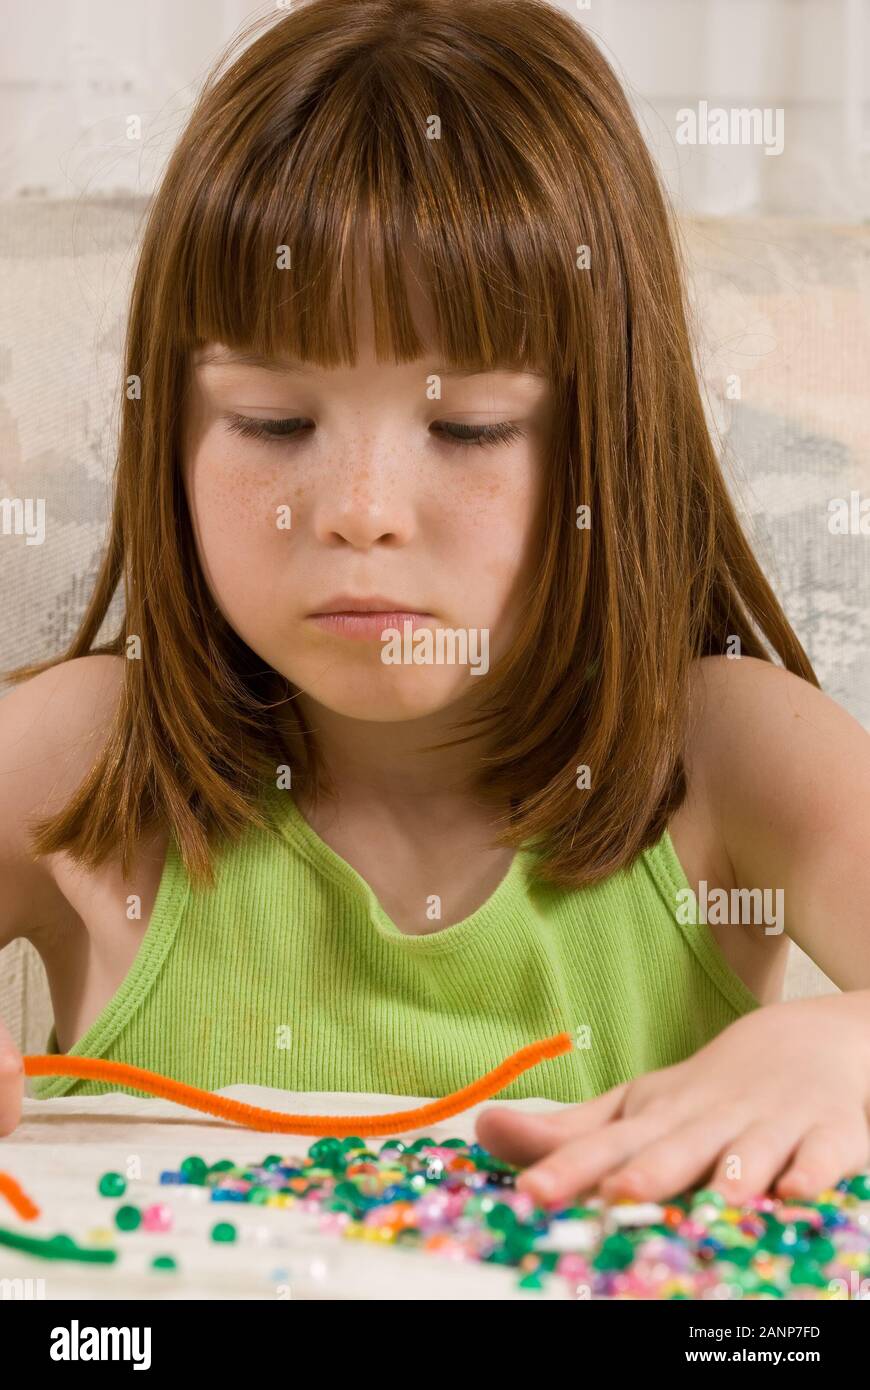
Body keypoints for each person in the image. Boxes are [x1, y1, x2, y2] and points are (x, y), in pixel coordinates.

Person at [1, 0, 868, 1210]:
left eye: (469, 427)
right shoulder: (84, 760)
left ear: (611, 447)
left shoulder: (732, 758)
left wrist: (847, 1052)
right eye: (274, 421)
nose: (361, 510)